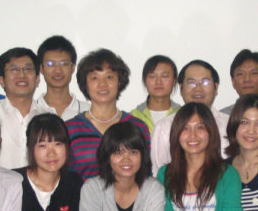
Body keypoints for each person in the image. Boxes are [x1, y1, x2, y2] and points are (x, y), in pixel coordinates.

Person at [157, 103, 241, 211]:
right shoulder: (165, 174)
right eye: (185, 128)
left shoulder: (228, 174)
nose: (193, 135)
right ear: (176, 133)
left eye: (200, 127)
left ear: (211, 132)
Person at [80, 122, 166, 211]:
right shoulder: (91, 189)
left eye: (133, 152)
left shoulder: (154, 189)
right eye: (118, 152)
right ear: (107, 157)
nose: (126, 159)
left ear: (142, 155)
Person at [66, 48, 150, 180]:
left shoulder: (137, 126)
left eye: (109, 77)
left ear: (119, 82)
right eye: (94, 78)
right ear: (85, 85)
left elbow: (145, 174)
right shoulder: (70, 129)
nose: (102, 84)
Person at [11, 113, 86, 211]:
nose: (51, 153)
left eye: (58, 144)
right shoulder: (12, 182)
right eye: (42, 146)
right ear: (30, 148)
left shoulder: (74, 183)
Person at [151, 60, 229, 175]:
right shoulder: (164, 127)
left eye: (205, 82)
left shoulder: (229, 124)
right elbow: (160, 174)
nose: (198, 88)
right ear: (181, 88)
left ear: (216, 87)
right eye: (191, 83)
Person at [0, 47, 42, 169]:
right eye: (14, 70)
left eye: (28, 69)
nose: (21, 75)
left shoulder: (47, 116)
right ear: (2, 80)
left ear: (37, 79)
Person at [35, 35, 90, 121]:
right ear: (41, 68)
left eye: (64, 64)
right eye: (50, 64)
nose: (58, 71)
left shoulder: (88, 111)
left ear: (72, 68)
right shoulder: (31, 111)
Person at [221, 49, 258, 118]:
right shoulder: (222, 117)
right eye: (240, 74)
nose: (247, 79)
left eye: (254, 73)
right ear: (233, 82)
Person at [131, 55, 181, 133]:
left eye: (164, 76)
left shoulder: (182, 115)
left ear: (174, 80)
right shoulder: (133, 117)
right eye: (152, 76)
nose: (158, 82)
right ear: (144, 81)